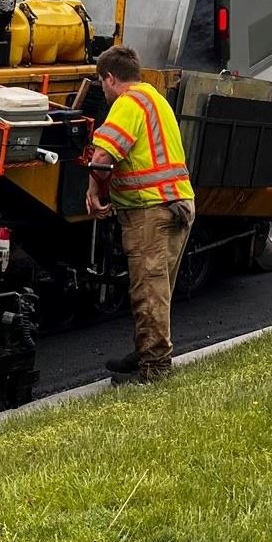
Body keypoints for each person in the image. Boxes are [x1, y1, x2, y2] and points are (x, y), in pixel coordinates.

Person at [85, 45, 196, 385]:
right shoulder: (155, 99)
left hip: (151, 210)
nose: (102, 91)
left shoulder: (127, 103)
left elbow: (102, 158)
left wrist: (94, 193)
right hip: (179, 204)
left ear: (110, 78)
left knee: (148, 291)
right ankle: (145, 350)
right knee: (159, 289)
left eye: (101, 84)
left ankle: (155, 368)